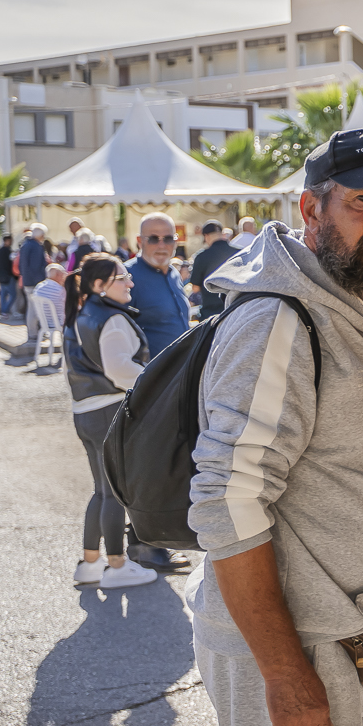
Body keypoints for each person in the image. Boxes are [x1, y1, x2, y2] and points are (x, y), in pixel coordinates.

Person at [188, 125, 363, 726]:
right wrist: (284, 672)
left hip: (342, 645)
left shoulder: (348, 304)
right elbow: (228, 500)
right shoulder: (279, 320)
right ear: (311, 209)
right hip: (296, 653)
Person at [62, 254, 160, 588]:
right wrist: (156, 380)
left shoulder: (81, 313)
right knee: (117, 492)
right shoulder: (112, 318)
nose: (130, 282)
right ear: (99, 285)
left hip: (85, 411)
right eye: (122, 277)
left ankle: (90, 564)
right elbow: (119, 369)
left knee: (102, 491)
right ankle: (117, 566)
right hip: (109, 410)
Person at [125, 213, 193, 357]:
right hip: (151, 369)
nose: (161, 245)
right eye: (153, 239)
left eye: (168, 239)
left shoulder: (174, 273)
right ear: (139, 241)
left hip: (182, 366)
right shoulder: (127, 277)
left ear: (175, 241)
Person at [190, 222, 239, 318]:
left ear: (206, 236)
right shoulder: (239, 253)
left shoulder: (201, 257)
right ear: (222, 233)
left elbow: (195, 288)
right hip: (237, 310)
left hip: (211, 314)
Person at [19, 224, 51, 345]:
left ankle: (33, 332)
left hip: (27, 281)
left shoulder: (25, 245)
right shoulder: (36, 246)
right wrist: (41, 282)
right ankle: (35, 333)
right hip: (35, 282)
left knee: (31, 308)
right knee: (36, 308)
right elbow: (36, 266)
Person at [0, 232, 19, 318]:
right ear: (7, 241)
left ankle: (3, 311)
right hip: (9, 276)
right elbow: (10, 264)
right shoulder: (7, 251)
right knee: (13, 295)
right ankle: (5, 310)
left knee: (3, 295)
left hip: (1, 275)